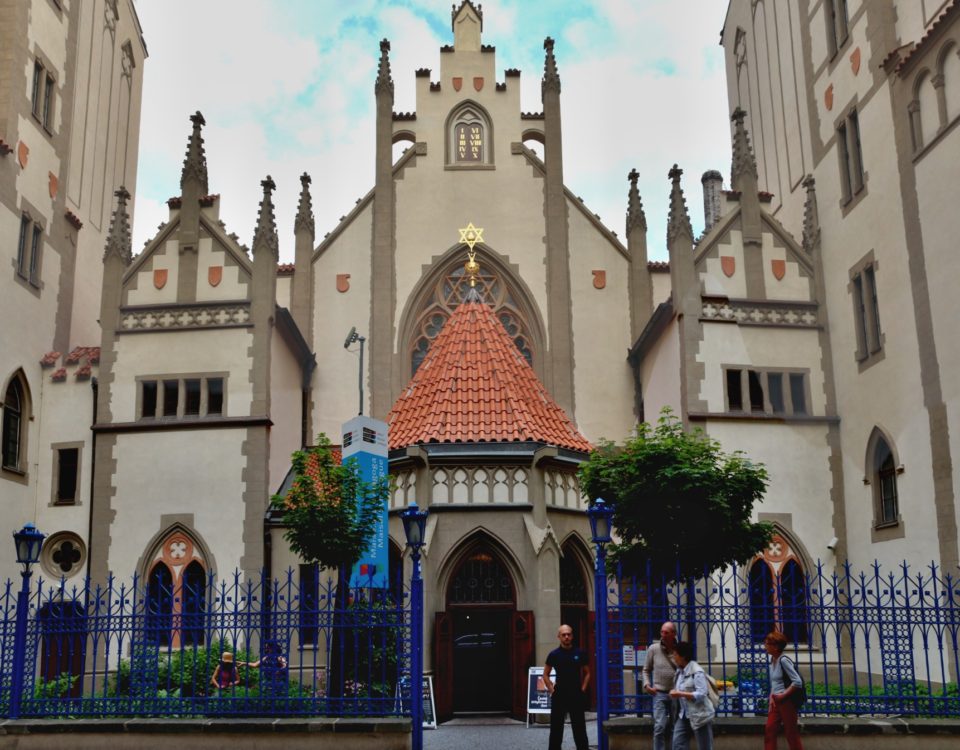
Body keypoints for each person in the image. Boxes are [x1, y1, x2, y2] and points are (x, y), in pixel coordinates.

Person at [542, 624, 591, 750]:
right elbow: (545, 674)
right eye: (563, 635)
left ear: (572, 636)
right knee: (556, 729)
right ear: (559, 637)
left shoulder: (579, 653)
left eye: (569, 634)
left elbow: (588, 673)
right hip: (559, 695)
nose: (566, 637)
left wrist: (583, 689)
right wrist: (552, 690)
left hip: (576, 694)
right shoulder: (554, 654)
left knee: (579, 727)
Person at [668, 641, 714, 750]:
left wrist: (680, 694)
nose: (673, 657)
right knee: (677, 744)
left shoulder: (697, 672)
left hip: (699, 715)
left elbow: (702, 694)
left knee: (705, 747)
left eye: (675, 655)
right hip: (683, 715)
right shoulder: (680, 671)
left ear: (683, 656)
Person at [764, 631, 804, 750]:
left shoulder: (783, 660)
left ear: (775, 647)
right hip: (776, 701)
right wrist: (772, 697)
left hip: (786, 702)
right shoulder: (772, 660)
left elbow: (797, 681)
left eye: (767, 643)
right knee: (769, 730)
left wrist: (782, 695)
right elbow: (775, 682)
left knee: (791, 732)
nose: (765, 646)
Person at [643, 621, 678, 750]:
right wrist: (647, 685)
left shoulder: (679, 649)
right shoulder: (653, 649)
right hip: (659, 693)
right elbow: (646, 669)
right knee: (659, 727)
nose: (663, 635)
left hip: (676, 693)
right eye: (662, 632)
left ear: (674, 634)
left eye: (666, 632)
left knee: (676, 727)